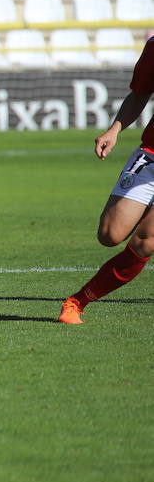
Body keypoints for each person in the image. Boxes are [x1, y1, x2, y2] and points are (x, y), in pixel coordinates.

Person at [57, 35, 154, 324]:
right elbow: (139, 93)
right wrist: (114, 130)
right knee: (110, 234)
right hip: (151, 154)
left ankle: (77, 302)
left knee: (145, 243)